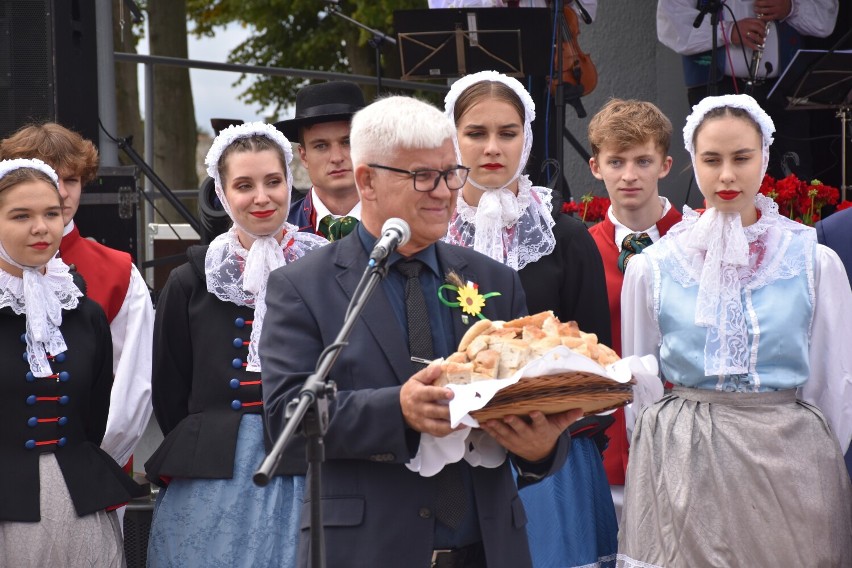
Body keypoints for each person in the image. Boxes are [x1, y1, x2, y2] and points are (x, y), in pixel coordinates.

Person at [260, 95, 578, 568]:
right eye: (423, 176)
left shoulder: (494, 281)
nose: (444, 192)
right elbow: (286, 418)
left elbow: (526, 399)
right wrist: (397, 410)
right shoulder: (303, 286)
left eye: (451, 174)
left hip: (488, 551)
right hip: (368, 551)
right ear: (366, 179)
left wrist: (541, 448)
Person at [617, 94, 852, 567]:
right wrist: (661, 454)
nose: (727, 175)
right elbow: (638, 381)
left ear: (764, 157)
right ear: (691, 162)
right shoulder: (654, 266)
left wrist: (812, 457)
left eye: (741, 158)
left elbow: (835, 383)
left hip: (790, 459)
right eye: (712, 159)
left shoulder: (812, 261)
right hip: (684, 458)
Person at [442, 70, 617, 568]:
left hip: (552, 453)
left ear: (528, 137)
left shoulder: (566, 237)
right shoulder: (428, 237)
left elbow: (597, 358)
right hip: (451, 455)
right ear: (452, 139)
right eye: (476, 133)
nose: (492, 147)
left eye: (508, 132)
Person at [143, 123, 326, 567]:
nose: (261, 197)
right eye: (244, 185)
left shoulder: (326, 268)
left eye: (273, 181)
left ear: (289, 182)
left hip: (307, 458)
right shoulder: (192, 279)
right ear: (223, 194)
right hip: (211, 472)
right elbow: (170, 386)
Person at [0, 159, 144, 566]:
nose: (41, 227)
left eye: (51, 213)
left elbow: (94, 416)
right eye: (20, 215)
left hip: (78, 504)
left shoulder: (84, 312)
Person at [0, 124, 154, 475]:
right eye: (45, 175)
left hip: (91, 472)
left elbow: (133, 390)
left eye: (71, 180)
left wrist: (92, 470)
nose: (61, 192)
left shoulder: (119, 272)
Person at [586, 98, 681, 487]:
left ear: (665, 165)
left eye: (643, 161)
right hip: (606, 448)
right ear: (595, 167)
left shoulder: (697, 242)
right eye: (616, 162)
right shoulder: (581, 250)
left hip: (683, 438)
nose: (629, 175)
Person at [656, 0, 839, 181]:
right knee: (728, 172)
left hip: (783, 90)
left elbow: (825, 19)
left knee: (793, 172)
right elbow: (670, 23)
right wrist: (727, 31)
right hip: (719, 88)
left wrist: (791, 8)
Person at [274, 81, 365, 241]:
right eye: (321, 146)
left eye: (347, 142)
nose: (336, 158)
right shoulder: (277, 232)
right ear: (303, 156)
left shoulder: (406, 222)